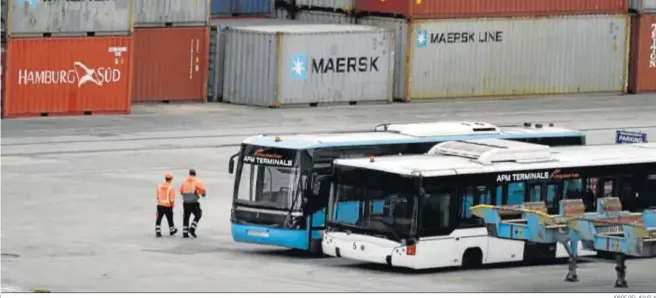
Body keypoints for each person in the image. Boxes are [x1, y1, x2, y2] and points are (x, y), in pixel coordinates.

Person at [180, 168, 206, 238]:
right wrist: (202, 194)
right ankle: (192, 228)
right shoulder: (198, 181)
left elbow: (181, 191)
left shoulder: (184, 182)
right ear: (195, 174)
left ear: (189, 174)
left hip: (185, 202)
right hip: (194, 202)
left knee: (186, 217)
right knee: (198, 215)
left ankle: (185, 233)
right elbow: (202, 191)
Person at [156, 172, 178, 237]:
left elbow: (157, 196)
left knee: (159, 218)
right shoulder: (171, 188)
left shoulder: (159, 186)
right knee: (170, 218)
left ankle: (158, 231)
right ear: (171, 179)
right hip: (168, 206)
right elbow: (172, 199)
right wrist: (172, 205)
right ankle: (172, 230)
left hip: (160, 205)